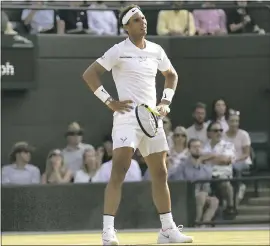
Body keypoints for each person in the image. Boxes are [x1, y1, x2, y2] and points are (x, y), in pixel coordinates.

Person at [82, 4, 193, 245]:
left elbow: (171, 75)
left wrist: (165, 101)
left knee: (160, 172)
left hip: (152, 118)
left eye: (143, 18)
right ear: (126, 26)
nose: (143, 22)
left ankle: (167, 229)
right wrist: (109, 101)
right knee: (119, 169)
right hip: (126, 118)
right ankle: (108, 231)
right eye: (136, 19)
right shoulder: (117, 50)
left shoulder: (156, 50)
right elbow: (89, 74)